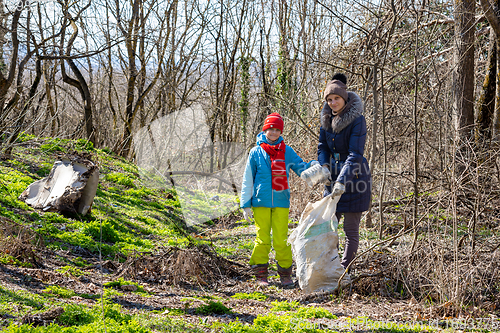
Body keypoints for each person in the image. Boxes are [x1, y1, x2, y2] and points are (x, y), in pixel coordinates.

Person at [240, 112, 318, 287]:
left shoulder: (287, 151)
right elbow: (248, 179)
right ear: (265, 129)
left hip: (282, 202)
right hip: (260, 202)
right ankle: (261, 274)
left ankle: (285, 273)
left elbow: (301, 167)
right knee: (262, 239)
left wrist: (312, 167)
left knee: (281, 240)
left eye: (277, 130)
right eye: (270, 129)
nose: (274, 132)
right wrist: (245, 204)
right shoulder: (255, 152)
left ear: (281, 132)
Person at [318, 73, 372, 271]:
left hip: (356, 177)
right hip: (331, 177)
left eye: (336, 98)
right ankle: (330, 269)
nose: (333, 103)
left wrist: (342, 181)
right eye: (329, 99)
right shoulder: (325, 120)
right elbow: (322, 146)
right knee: (328, 228)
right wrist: (324, 167)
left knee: (350, 230)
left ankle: (343, 273)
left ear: (345, 98)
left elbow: (355, 153)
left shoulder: (358, 120)